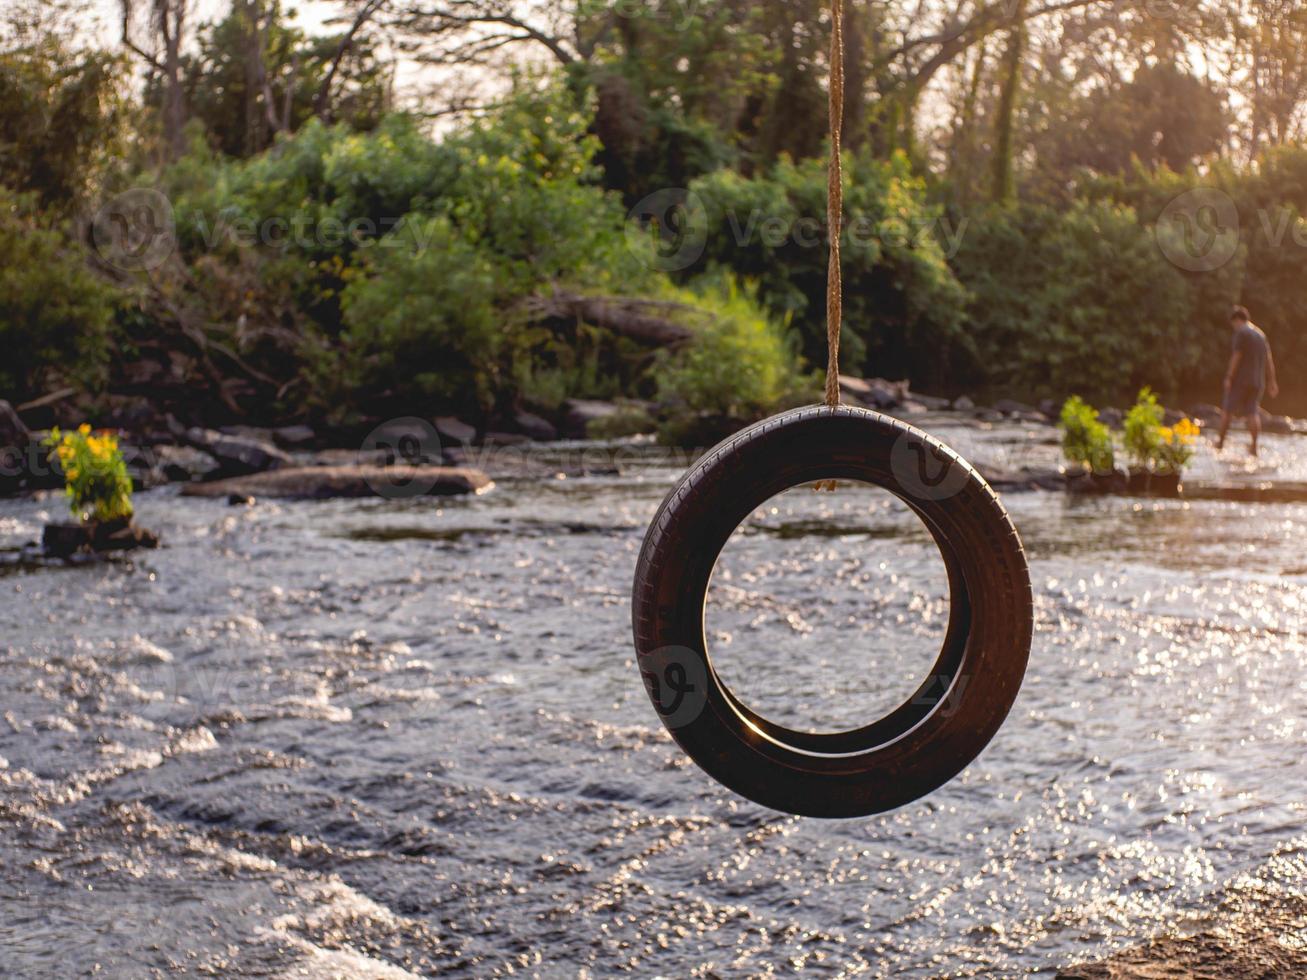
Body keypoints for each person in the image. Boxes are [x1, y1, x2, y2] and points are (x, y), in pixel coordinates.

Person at [1217, 306, 1279, 457]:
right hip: (1258, 381)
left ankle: (1220, 443)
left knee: (1227, 410)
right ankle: (1254, 447)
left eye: (1233, 324)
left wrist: (1229, 377)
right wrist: (1272, 381)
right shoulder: (1261, 335)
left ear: (1237, 320)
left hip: (1241, 380)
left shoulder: (1242, 333)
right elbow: (1269, 360)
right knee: (1252, 412)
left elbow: (1237, 356)